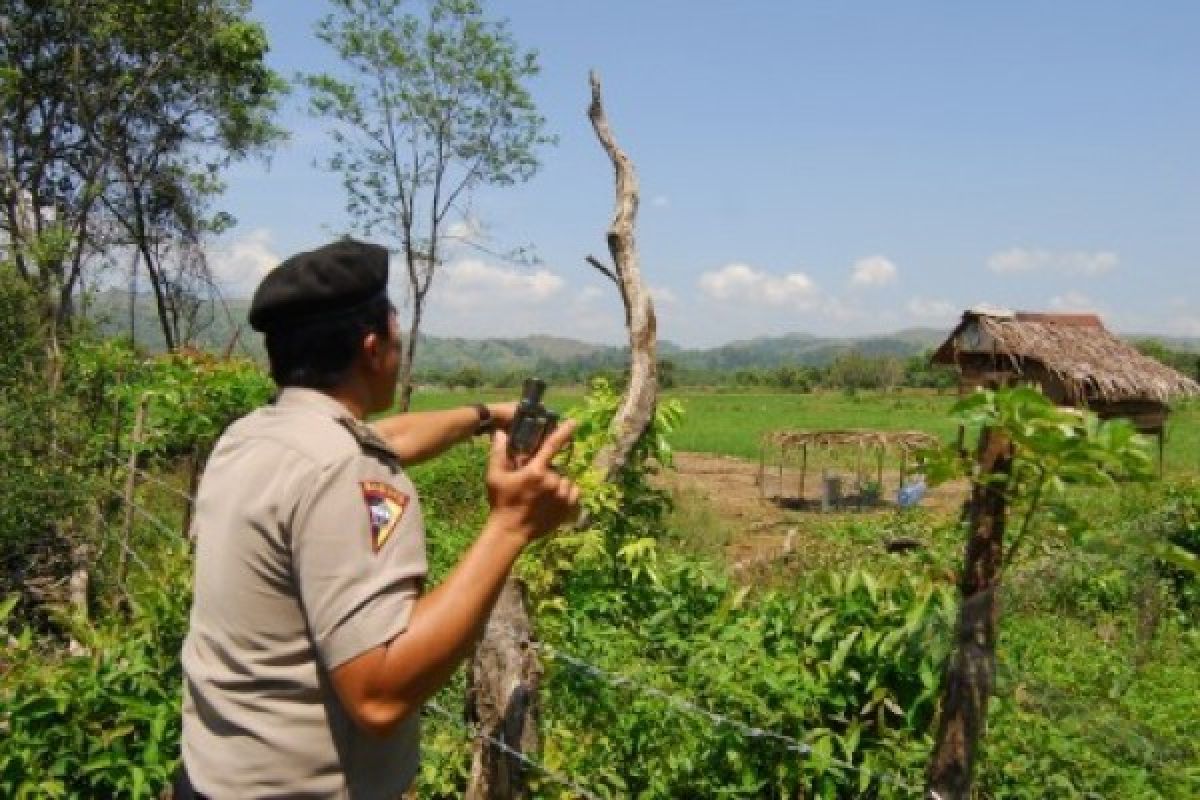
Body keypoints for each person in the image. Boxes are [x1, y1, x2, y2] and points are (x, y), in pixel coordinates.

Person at [177, 238, 579, 799]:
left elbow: (379, 439)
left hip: (210, 775)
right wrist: (510, 526)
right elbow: (378, 696)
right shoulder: (344, 474)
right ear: (373, 348)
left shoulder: (251, 435)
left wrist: (487, 416)